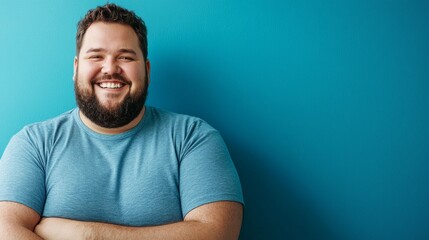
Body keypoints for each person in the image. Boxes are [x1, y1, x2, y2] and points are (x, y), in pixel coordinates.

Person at [0, 3, 244, 240]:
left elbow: (217, 234)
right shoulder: (33, 143)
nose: (110, 68)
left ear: (147, 70)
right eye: (96, 56)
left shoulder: (193, 137)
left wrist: (88, 235)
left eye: (125, 57)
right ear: (76, 68)